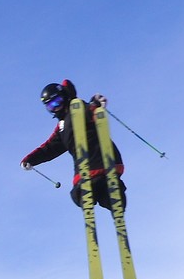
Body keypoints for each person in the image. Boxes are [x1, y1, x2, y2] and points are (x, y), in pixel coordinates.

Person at [21, 79, 126, 210]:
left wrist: (96, 104)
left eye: (57, 102)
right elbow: (50, 148)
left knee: (81, 191)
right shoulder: (62, 127)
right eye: (51, 106)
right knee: (86, 193)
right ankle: (114, 200)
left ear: (64, 97)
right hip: (93, 166)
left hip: (97, 161)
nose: (56, 107)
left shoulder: (76, 108)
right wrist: (31, 160)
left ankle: (111, 194)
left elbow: (89, 110)